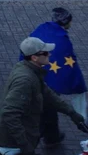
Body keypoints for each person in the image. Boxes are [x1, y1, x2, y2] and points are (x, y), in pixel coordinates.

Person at [0, 37, 88, 155]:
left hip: (17, 140)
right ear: (34, 58)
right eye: (45, 52)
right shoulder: (25, 80)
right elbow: (9, 113)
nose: (50, 54)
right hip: (13, 144)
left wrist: (72, 113)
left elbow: (48, 94)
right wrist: (25, 146)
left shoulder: (30, 70)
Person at [24, 8, 87, 147]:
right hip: (48, 80)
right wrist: (77, 82)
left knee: (48, 108)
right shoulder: (62, 40)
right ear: (66, 22)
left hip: (36, 75)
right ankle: (32, 147)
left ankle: (52, 136)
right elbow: (69, 62)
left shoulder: (42, 28)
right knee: (45, 110)